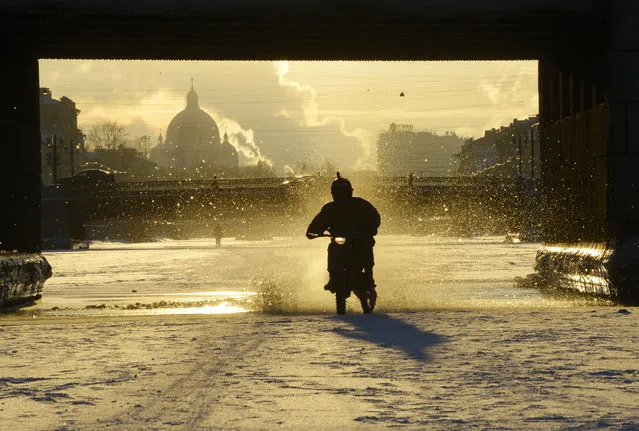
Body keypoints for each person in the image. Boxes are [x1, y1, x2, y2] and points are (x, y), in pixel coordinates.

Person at [306, 172, 381, 292]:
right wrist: (313, 231)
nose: (340, 194)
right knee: (332, 249)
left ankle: (368, 276)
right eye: (337, 191)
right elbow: (319, 221)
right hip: (339, 239)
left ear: (350, 191)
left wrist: (369, 228)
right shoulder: (329, 208)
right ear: (332, 193)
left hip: (359, 238)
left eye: (343, 191)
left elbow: (374, 217)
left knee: (365, 246)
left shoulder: (360, 204)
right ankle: (333, 277)